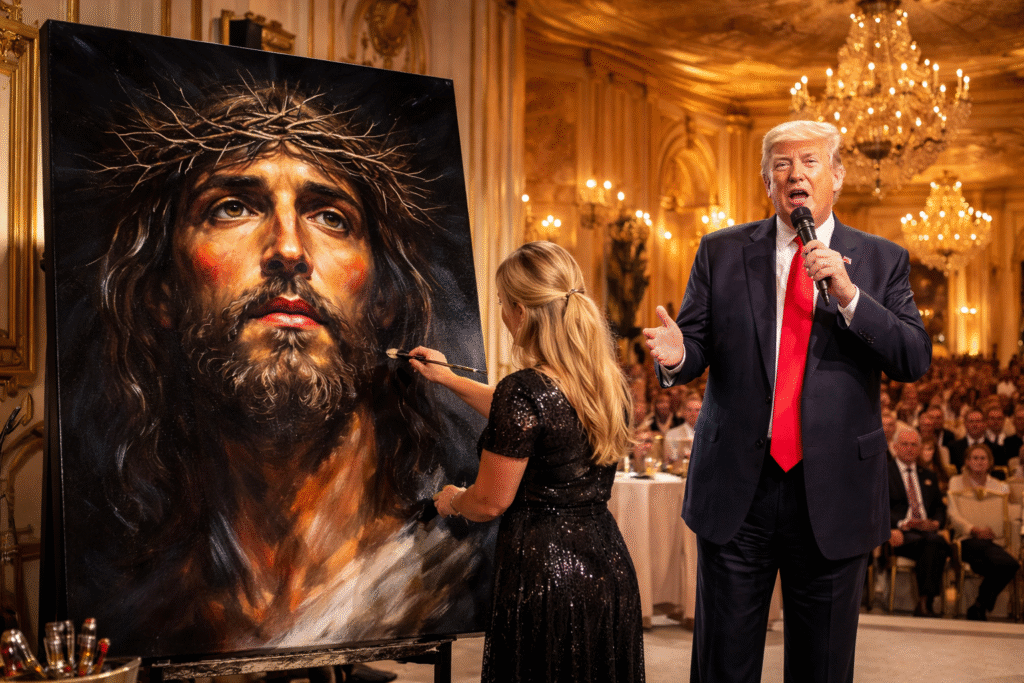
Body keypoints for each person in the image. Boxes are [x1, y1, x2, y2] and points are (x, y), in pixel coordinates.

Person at [64, 81, 486, 654]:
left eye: (331, 217)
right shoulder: (135, 599)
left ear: (383, 297)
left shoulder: (453, 574)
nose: (289, 248)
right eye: (232, 207)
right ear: (163, 289)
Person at [643, 120, 931, 682]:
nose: (794, 174)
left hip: (834, 491)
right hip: (736, 489)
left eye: (809, 162)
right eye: (781, 164)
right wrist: (678, 356)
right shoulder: (720, 251)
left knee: (821, 666)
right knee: (723, 662)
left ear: (837, 176)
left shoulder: (880, 260)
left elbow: (913, 358)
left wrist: (850, 298)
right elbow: (695, 344)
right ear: (767, 181)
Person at [412, 241, 645, 683]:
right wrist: (448, 379)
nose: (502, 313)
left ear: (520, 309)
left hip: (544, 573)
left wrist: (452, 500)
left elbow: (489, 502)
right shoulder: (604, 383)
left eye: (502, 303)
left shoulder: (525, 389)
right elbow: (531, 417)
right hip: (607, 567)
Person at [946, 443, 1021, 621]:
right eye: (975, 458)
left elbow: (1008, 514)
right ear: (967, 461)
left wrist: (991, 531)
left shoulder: (1001, 486)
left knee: (1007, 564)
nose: (979, 462)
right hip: (966, 540)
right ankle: (981, 605)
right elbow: (953, 514)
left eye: (983, 458)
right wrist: (973, 529)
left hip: (992, 541)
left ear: (990, 462)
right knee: (1007, 564)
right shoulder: (955, 482)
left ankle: (978, 606)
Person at [888, 429, 951, 616]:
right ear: (895, 447)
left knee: (932, 542)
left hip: (926, 532)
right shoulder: (884, 472)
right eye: (905, 444)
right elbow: (877, 507)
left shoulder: (928, 475)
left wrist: (936, 523)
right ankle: (927, 601)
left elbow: (940, 508)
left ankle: (924, 602)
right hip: (900, 534)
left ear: (919, 448)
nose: (909, 448)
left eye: (914, 444)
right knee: (938, 544)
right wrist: (897, 525)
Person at [948, 407, 990, 472]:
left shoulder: (997, 449)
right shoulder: (953, 448)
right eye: (971, 421)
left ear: (985, 424)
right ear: (965, 424)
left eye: (978, 421)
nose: (974, 425)